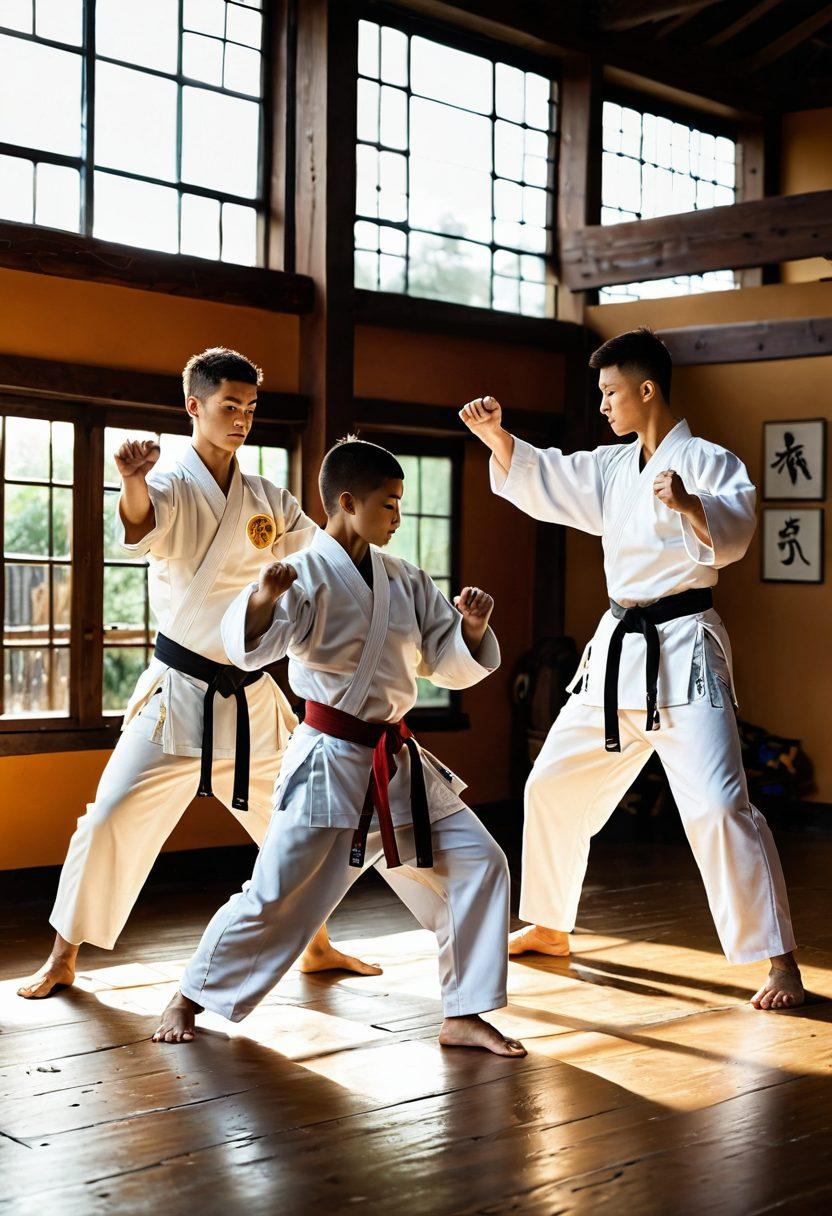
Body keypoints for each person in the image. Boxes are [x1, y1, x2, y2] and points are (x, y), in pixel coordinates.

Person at [460, 327, 803, 1011]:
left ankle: (780, 962)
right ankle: (552, 925)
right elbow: (552, 475)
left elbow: (733, 532)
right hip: (618, 645)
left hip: (684, 646)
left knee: (718, 804)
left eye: (611, 392)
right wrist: (500, 439)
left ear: (647, 389)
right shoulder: (615, 467)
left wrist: (689, 507)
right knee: (552, 784)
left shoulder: (708, 461)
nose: (604, 406)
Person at [18, 348, 376, 1000]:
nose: (241, 419)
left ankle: (317, 945)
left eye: (250, 408)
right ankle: (62, 954)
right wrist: (129, 481)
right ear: (195, 407)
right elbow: (141, 522)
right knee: (108, 820)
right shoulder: (171, 484)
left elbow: (321, 553)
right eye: (229, 406)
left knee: (299, 820)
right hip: (178, 694)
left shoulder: (266, 495)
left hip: (252, 700)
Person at [153, 437, 525, 1057]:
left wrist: (473, 629)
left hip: (397, 762)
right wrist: (263, 600)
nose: (398, 517)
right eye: (389, 504)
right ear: (347, 502)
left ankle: (465, 1012)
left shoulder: (405, 577)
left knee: (481, 863)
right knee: (276, 895)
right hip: (329, 760)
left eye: (401, 504)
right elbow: (253, 647)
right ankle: (188, 995)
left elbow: (442, 657)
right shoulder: (302, 573)